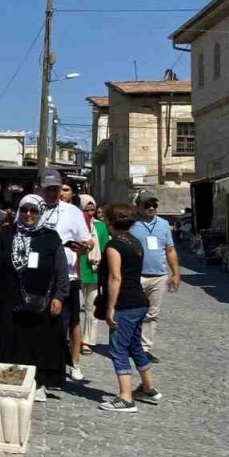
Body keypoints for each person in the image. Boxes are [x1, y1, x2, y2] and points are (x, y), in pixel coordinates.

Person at [0, 194, 68, 400]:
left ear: (41, 213)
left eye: (33, 211)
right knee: (12, 339)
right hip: (10, 297)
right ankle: (12, 380)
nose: (28, 215)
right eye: (24, 210)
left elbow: (61, 269)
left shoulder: (50, 237)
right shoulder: (7, 233)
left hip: (40, 299)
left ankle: (37, 384)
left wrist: (60, 296)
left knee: (38, 341)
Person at [99, 203, 162, 413]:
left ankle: (126, 397)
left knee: (118, 349)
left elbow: (115, 277)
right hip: (140, 300)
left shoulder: (114, 245)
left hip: (125, 302)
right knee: (135, 346)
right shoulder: (135, 242)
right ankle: (148, 387)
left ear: (111, 221)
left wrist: (110, 307)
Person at [36, 167, 92, 377]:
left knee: (72, 321)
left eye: (55, 189)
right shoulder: (33, 208)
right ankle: (46, 363)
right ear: (41, 189)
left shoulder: (72, 212)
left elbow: (87, 240)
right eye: (47, 189)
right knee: (45, 323)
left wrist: (85, 247)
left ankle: (74, 363)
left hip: (67, 276)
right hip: (40, 277)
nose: (51, 193)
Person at [129, 190, 180, 355]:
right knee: (133, 311)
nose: (151, 208)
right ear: (138, 207)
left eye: (154, 205)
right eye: (147, 205)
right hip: (136, 275)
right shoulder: (131, 224)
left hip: (158, 276)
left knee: (152, 313)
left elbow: (170, 249)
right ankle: (130, 343)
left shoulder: (164, 224)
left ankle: (145, 348)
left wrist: (176, 273)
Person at [77, 195, 109, 355]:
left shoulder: (101, 226)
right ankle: (72, 338)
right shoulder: (75, 225)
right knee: (75, 308)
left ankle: (87, 340)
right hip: (77, 270)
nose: (90, 213)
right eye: (86, 210)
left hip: (94, 271)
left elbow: (104, 249)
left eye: (92, 210)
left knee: (92, 309)